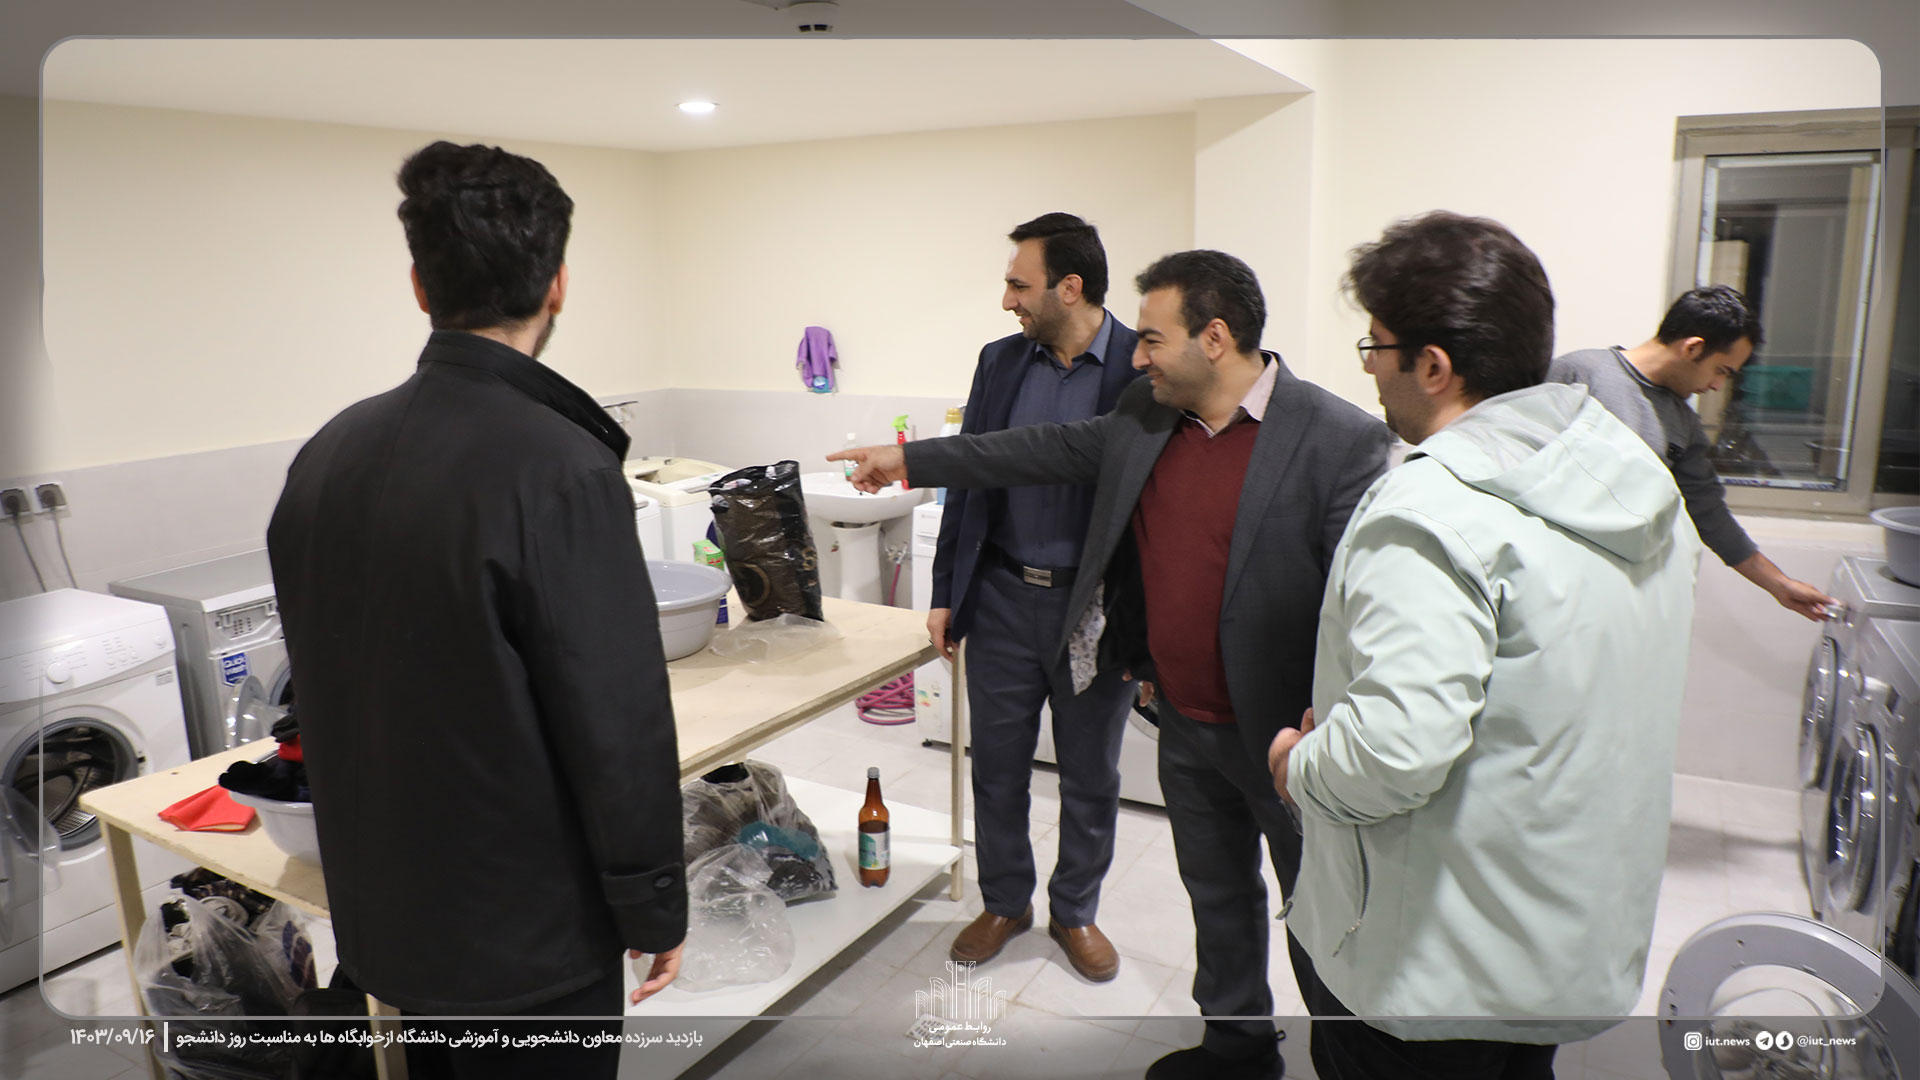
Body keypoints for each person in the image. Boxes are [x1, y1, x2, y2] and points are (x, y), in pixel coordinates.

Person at [834, 250, 1391, 1080]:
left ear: (1214, 338)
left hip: (1288, 740)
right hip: (1185, 725)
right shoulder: (1147, 415)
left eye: (1153, 339)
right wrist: (911, 460)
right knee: (1219, 900)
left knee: (1321, 916)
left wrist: (1331, 729)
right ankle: (1236, 1048)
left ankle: (1351, 1062)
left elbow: (1361, 610)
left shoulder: (1337, 438)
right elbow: (1035, 449)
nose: (1136, 353)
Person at [266, 141, 687, 1080]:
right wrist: (654, 903)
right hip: (528, 941)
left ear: (420, 285)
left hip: (386, 914)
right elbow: (615, 722)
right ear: (559, 284)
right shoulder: (562, 468)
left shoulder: (328, 453)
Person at [1270, 211, 1702, 1080]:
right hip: (1553, 946)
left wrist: (1299, 765)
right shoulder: (1634, 486)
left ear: (1433, 366)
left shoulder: (1431, 513)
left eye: (1375, 347)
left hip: (1429, 970)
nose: (1370, 369)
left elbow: (1393, 753)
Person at [931, 212, 1144, 981]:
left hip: (1095, 613)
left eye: (1019, 285)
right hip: (1001, 598)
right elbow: (969, 474)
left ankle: (1075, 910)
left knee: (1091, 774)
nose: (1007, 301)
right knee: (997, 767)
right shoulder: (1000, 363)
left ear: (1070, 287)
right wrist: (946, 589)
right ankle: (1005, 902)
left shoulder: (1141, 368)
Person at [1549, 285, 1833, 620]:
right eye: (1721, 370)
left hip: (1607, 590)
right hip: (1548, 572)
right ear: (1693, 348)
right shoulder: (1578, 374)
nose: (1717, 386)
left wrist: (1779, 584)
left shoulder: (1683, 425)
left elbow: (1708, 510)